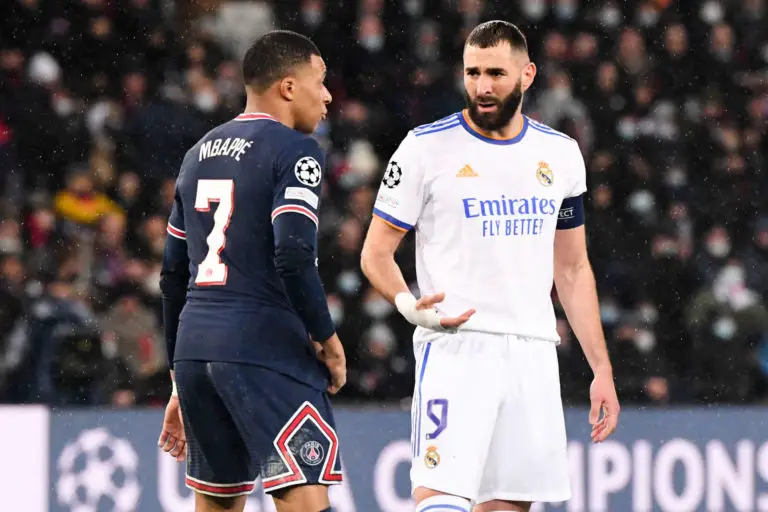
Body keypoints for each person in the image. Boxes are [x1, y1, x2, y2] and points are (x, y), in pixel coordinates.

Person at [360, 21, 620, 512]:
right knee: (440, 499)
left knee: (507, 505)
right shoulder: (424, 148)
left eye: (496, 73)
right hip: (457, 348)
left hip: (532, 353)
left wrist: (601, 369)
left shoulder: (560, 154)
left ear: (527, 75)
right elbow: (375, 252)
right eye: (473, 72)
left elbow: (572, 269)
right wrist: (408, 305)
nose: (482, 86)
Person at [157, 30, 346, 512]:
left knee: (218, 504)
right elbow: (294, 254)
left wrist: (179, 376)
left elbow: (172, 277)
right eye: (320, 81)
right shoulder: (295, 149)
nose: (327, 95)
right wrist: (326, 337)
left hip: (196, 351)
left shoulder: (196, 155)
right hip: (265, 348)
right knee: (304, 499)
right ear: (288, 87)